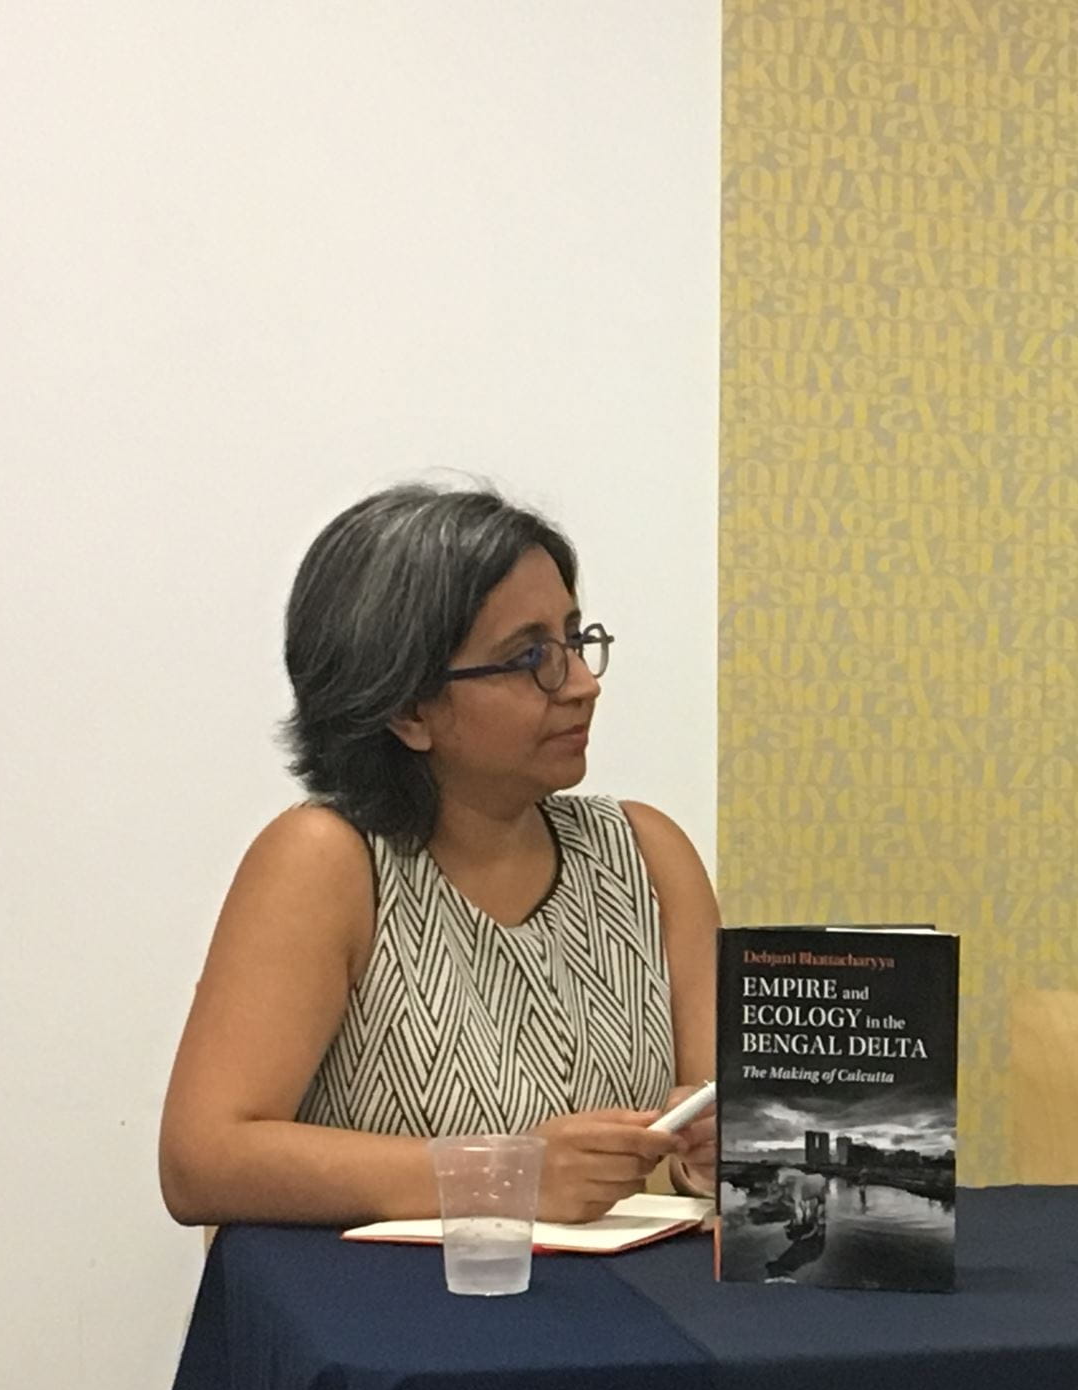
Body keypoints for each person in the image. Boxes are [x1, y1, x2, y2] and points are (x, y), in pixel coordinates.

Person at [159, 484, 717, 1226]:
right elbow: (203, 1163)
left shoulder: (648, 854)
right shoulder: (327, 860)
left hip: (626, 1313)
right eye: (530, 658)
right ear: (407, 709)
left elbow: (719, 1126)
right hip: (399, 1323)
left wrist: (718, 1153)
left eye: (576, 641)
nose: (582, 685)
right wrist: (500, 1174)